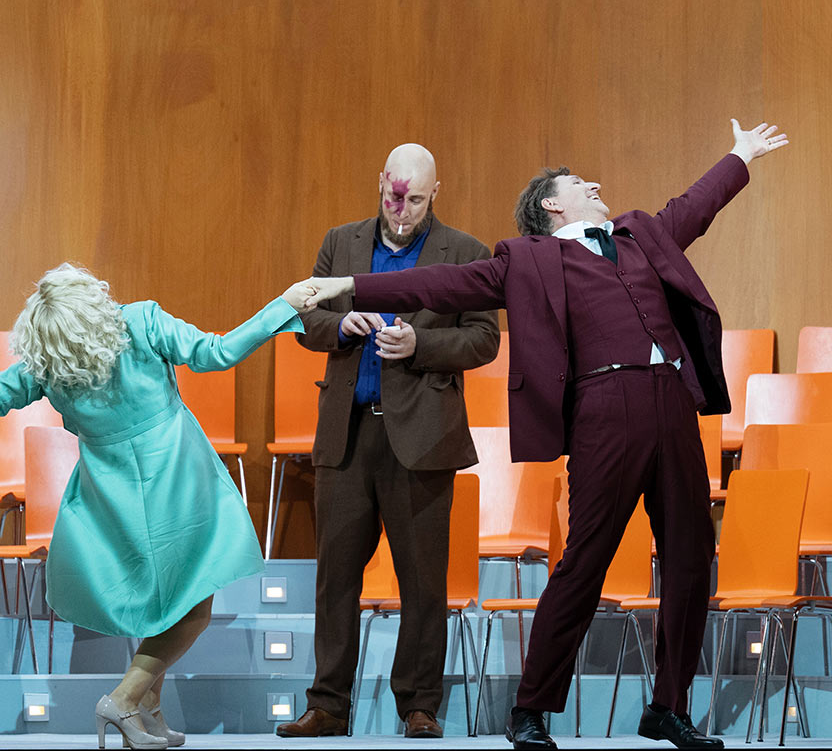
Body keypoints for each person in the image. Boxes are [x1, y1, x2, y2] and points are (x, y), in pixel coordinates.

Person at [303, 120, 789, 751]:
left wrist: (740, 154)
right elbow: (440, 284)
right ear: (552, 205)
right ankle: (531, 708)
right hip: (603, 409)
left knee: (693, 558)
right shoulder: (528, 259)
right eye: (579, 182)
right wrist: (349, 285)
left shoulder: (640, 234)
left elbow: (694, 208)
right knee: (586, 557)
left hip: (672, 401)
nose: (595, 184)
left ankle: (668, 705)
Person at [0, 263, 318, 751]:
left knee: (164, 607)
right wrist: (284, 306)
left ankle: (149, 711)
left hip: (113, 496)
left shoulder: (47, 365)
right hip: (178, 483)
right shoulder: (141, 321)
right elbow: (217, 353)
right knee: (193, 608)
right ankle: (122, 700)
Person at [276, 143, 500, 740]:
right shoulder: (340, 243)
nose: (402, 213)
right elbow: (304, 319)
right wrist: (339, 325)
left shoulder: (467, 254)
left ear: (435, 193)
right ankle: (328, 704)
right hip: (348, 435)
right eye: (393, 198)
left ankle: (419, 705)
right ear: (380, 183)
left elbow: (484, 339)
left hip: (423, 439)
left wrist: (420, 347)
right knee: (336, 580)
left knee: (424, 582)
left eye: (416, 201)